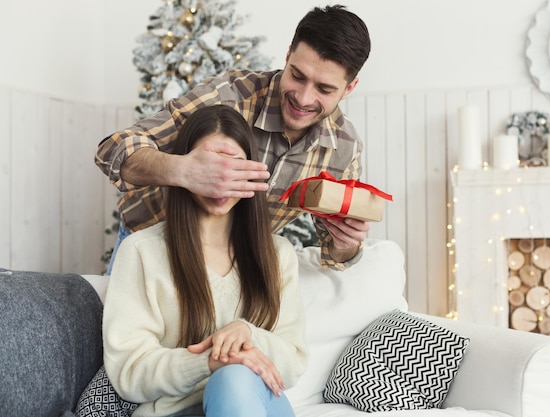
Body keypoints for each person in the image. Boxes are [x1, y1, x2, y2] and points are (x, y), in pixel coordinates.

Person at [96, 4, 372, 273]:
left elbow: (335, 255)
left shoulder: (343, 150)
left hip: (226, 266)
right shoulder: (227, 97)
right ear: (287, 56)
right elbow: (113, 150)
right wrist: (183, 170)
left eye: (324, 89)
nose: (303, 98)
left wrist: (345, 243)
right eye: (297, 76)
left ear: (349, 88)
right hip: (147, 245)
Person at [92, 105, 308, 417]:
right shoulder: (141, 252)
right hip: (176, 411)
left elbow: (293, 363)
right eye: (208, 165)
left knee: (236, 379)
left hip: (257, 401)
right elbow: (129, 371)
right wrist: (209, 360)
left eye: (232, 167)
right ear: (185, 167)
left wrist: (247, 335)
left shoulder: (277, 254)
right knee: (232, 376)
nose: (220, 178)